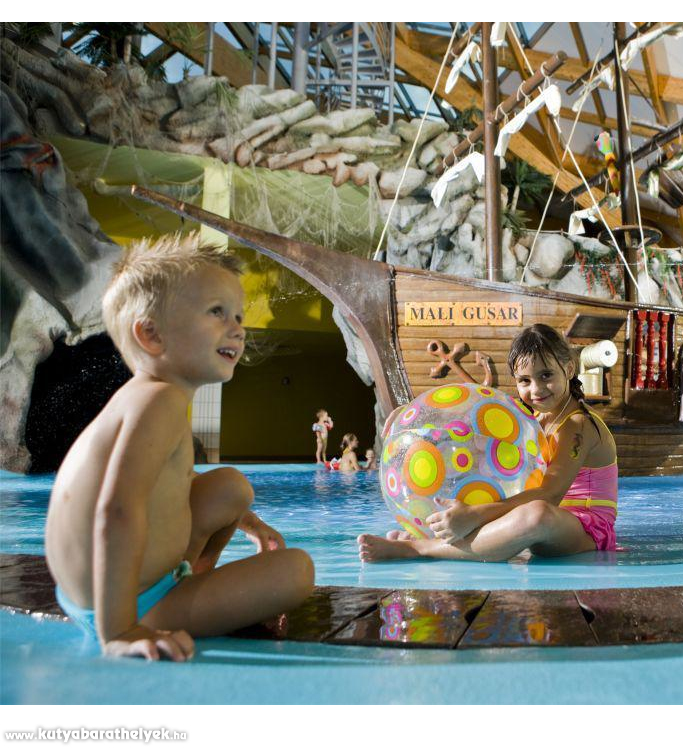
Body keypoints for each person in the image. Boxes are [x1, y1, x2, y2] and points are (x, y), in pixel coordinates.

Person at [44, 235, 314, 662]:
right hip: (124, 605)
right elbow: (117, 510)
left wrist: (248, 522)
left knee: (231, 487)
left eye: (238, 315)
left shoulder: (148, 396)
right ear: (152, 334)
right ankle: (170, 605)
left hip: (96, 590)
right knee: (296, 571)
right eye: (217, 312)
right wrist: (119, 630)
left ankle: (191, 579)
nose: (238, 328)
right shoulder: (160, 403)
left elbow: (167, 489)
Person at [358, 323, 618, 562]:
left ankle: (419, 548)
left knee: (537, 514)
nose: (536, 389)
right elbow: (466, 424)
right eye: (525, 380)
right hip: (545, 525)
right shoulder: (534, 418)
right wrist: (408, 417)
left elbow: (550, 495)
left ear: (569, 369)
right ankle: (437, 535)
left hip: (586, 529)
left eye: (546, 375)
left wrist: (476, 513)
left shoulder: (577, 425)